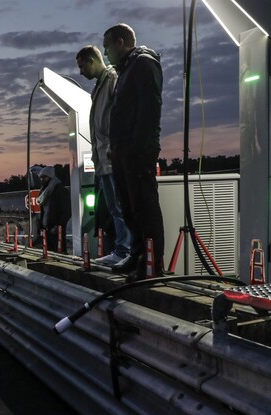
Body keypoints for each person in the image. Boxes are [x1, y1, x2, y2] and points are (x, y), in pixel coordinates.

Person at [103, 23, 165, 281]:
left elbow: (150, 107)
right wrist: (115, 148)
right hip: (122, 151)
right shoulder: (126, 69)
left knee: (144, 206)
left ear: (120, 42)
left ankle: (151, 262)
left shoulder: (143, 63)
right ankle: (137, 253)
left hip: (135, 150)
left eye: (107, 47)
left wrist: (138, 147)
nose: (105, 53)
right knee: (129, 207)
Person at [76, 44, 131, 267]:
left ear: (91, 60)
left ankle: (125, 250)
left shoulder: (112, 79)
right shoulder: (100, 85)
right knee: (114, 207)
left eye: (81, 66)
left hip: (111, 153)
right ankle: (122, 249)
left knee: (120, 206)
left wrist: (112, 145)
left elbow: (119, 113)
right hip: (104, 156)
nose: (80, 72)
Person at [36, 166, 71, 253]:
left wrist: (59, 226)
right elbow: (44, 211)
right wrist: (41, 226)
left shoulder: (61, 191)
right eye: (41, 177)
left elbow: (66, 212)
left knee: (60, 253)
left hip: (56, 230)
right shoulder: (45, 193)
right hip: (47, 229)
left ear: (50, 177)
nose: (42, 180)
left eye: (44, 177)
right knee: (50, 254)